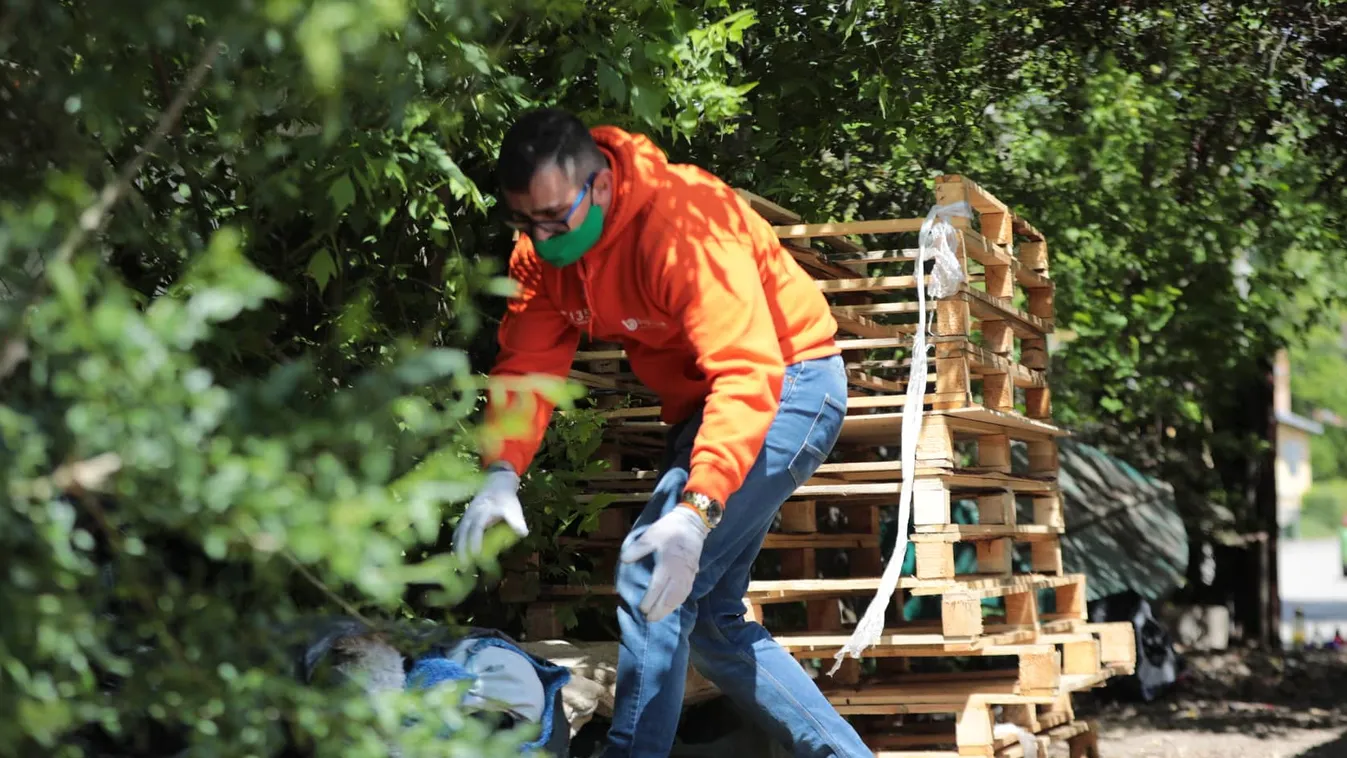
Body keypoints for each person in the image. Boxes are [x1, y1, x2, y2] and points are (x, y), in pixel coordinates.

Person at [452, 107, 871, 758]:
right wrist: (501, 471)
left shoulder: (684, 221)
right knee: (710, 621)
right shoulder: (541, 251)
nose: (541, 237)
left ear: (599, 184)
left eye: (555, 217)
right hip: (707, 404)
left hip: (788, 383)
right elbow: (527, 366)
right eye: (525, 221)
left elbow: (746, 371)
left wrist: (697, 510)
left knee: (650, 573)